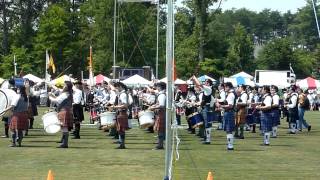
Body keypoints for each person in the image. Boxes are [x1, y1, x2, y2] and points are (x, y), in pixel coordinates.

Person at [49, 81, 74, 148]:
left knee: (64, 128)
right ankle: (64, 143)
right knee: (64, 128)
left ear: (66, 87)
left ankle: (65, 143)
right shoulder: (69, 94)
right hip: (67, 111)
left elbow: (56, 100)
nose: (63, 86)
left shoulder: (65, 94)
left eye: (64, 85)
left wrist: (50, 97)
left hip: (64, 111)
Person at [217, 82, 236, 150]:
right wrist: (221, 107)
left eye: (225, 87)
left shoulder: (231, 94)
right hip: (228, 112)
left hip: (229, 113)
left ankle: (230, 145)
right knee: (228, 129)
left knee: (229, 129)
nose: (224, 88)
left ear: (228, 87)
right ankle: (229, 145)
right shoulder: (229, 94)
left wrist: (221, 105)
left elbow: (230, 106)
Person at [149, 82, 166, 150]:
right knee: (159, 130)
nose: (156, 88)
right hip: (160, 113)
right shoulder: (161, 94)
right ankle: (160, 144)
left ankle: (160, 145)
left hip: (161, 114)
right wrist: (154, 105)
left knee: (160, 130)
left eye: (157, 86)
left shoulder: (162, 95)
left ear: (160, 87)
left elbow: (161, 105)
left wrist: (153, 108)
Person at [112, 82, 130, 149]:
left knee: (121, 129)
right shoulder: (122, 94)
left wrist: (115, 107)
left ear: (119, 86)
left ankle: (122, 144)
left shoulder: (123, 94)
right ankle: (122, 144)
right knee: (120, 129)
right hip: (121, 113)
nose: (116, 89)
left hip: (122, 112)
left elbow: (125, 105)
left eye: (116, 87)